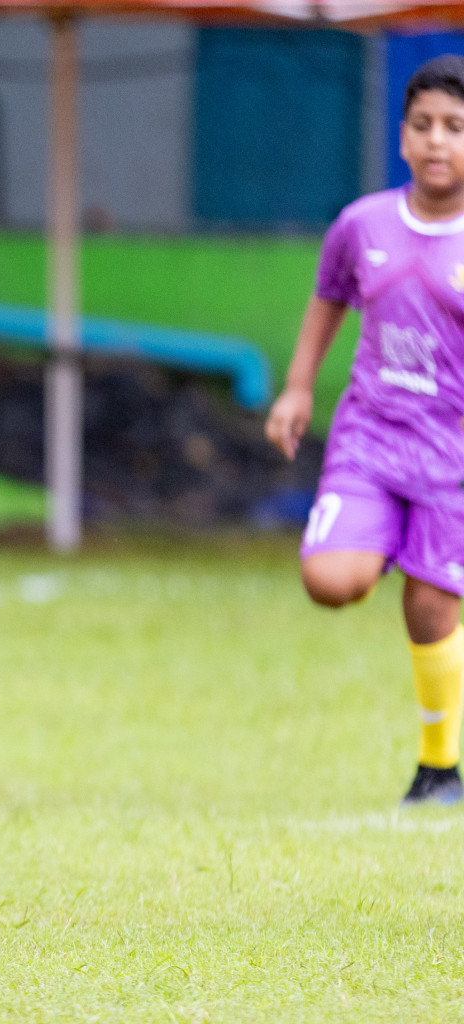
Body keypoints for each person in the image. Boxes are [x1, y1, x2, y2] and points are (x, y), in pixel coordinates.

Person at [266, 55, 464, 806]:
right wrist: (294, 388)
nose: (438, 141)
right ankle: (382, 539)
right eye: (423, 126)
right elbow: (328, 299)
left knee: (433, 609)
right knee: (330, 579)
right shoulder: (363, 224)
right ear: (403, 138)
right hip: (371, 438)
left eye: (455, 127)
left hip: (450, 454)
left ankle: (439, 768)